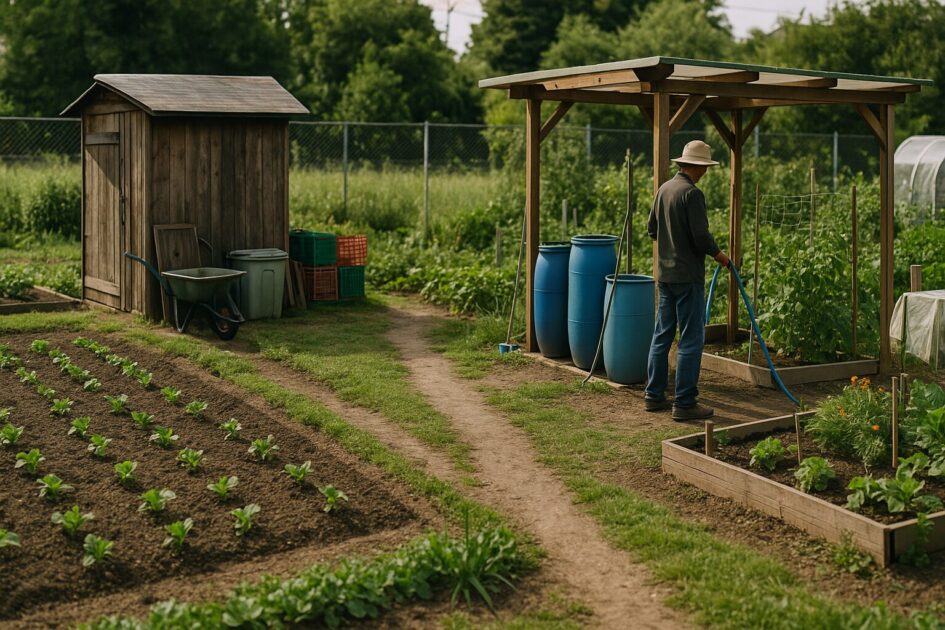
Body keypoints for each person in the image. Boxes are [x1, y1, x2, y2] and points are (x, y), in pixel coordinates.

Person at [644, 140, 730, 421]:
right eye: (704, 167)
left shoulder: (664, 189)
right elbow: (701, 237)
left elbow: (652, 229)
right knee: (691, 338)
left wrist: (671, 245)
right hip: (687, 276)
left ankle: (653, 395)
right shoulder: (692, 194)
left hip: (665, 275)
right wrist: (721, 256)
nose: (705, 172)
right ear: (696, 166)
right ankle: (684, 403)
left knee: (662, 335)